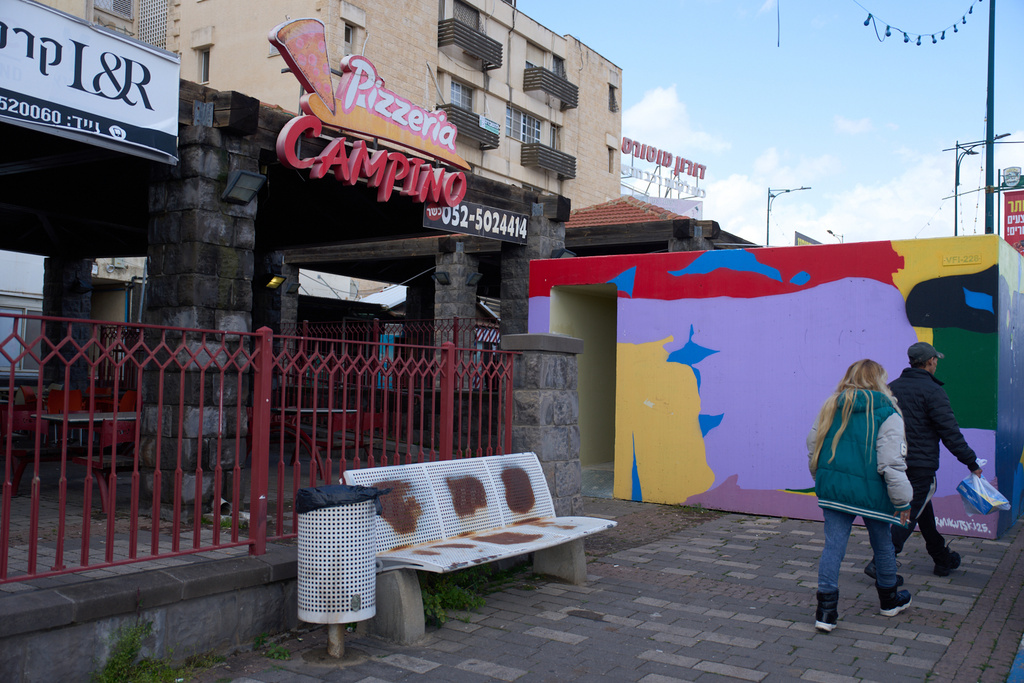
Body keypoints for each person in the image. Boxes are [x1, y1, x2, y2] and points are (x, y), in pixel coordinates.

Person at [808, 359, 913, 633]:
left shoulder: (832, 405)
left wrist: (820, 477)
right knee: (883, 544)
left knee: (833, 547)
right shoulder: (888, 411)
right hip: (873, 493)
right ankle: (889, 601)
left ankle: (825, 613)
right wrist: (902, 501)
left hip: (835, 489)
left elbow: (813, 445)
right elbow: (891, 462)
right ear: (879, 380)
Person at [865, 341, 982, 579]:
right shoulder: (933, 392)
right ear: (930, 361)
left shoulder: (891, 388)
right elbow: (950, 433)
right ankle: (881, 562)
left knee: (921, 510)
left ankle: (942, 558)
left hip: (894, 462)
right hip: (920, 467)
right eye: (935, 360)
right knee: (907, 515)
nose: (936, 363)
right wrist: (971, 462)